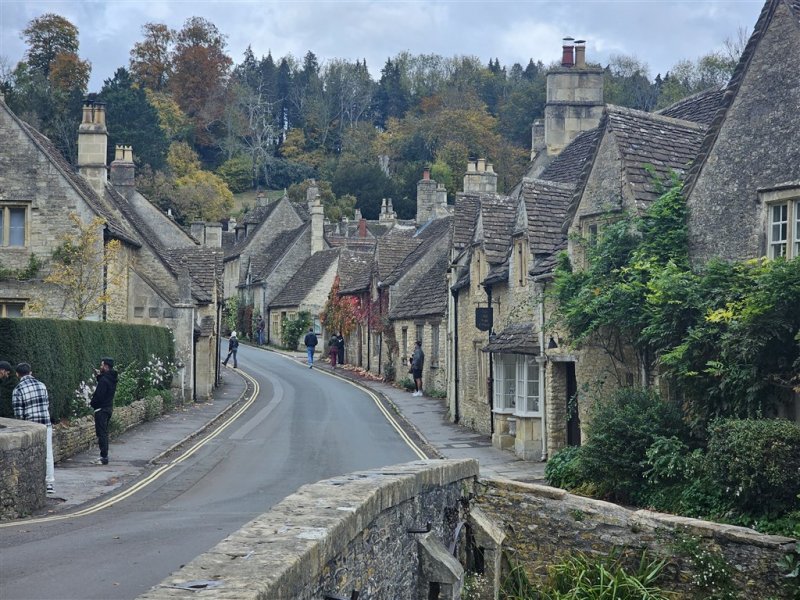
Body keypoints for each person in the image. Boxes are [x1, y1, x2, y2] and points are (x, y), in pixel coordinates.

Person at [11, 362, 55, 493]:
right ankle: (50, 484)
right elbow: (46, 404)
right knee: (48, 454)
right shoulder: (42, 385)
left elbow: (18, 414)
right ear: (30, 372)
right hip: (45, 423)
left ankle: (31, 485)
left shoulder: (18, 389)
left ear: (17, 374)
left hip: (30, 426)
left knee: (29, 456)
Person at [91, 357, 117, 466]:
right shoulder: (111, 378)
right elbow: (104, 382)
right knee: (103, 433)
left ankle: (104, 457)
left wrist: (92, 403)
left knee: (102, 434)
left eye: (102, 365)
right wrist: (99, 376)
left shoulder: (104, 380)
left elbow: (99, 395)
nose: (100, 367)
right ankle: (103, 456)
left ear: (106, 366)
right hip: (108, 408)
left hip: (101, 409)